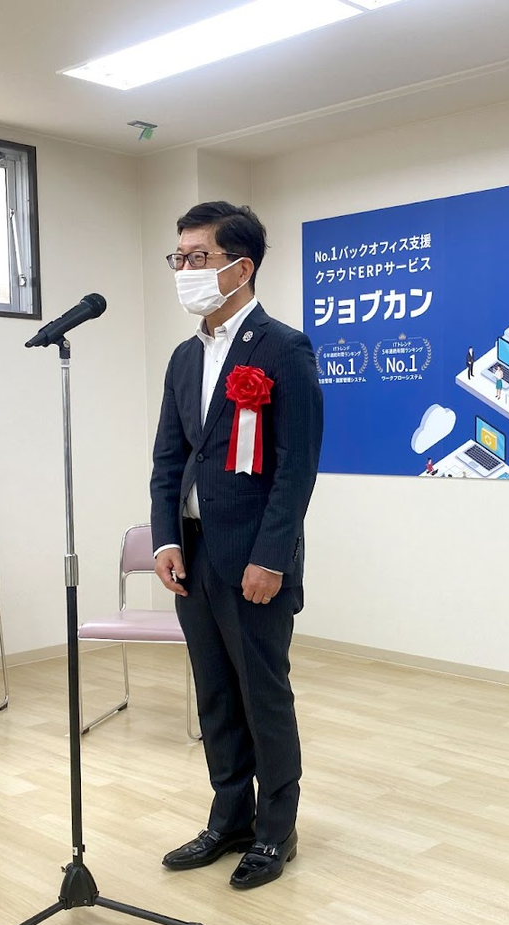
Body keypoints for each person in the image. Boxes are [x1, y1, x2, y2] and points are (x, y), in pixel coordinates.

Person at [151, 202, 324, 890]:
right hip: (193, 556)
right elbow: (169, 458)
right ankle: (230, 818)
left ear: (240, 267)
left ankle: (276, 829)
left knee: (262, 695)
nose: (184, 269)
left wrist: (271, 557)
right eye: (179, 257)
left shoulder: (282, 348)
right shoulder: (183, 357)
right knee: (216, 697)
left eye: (197, 257)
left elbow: (296, 466)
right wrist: (166, 536)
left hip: (254, 561)